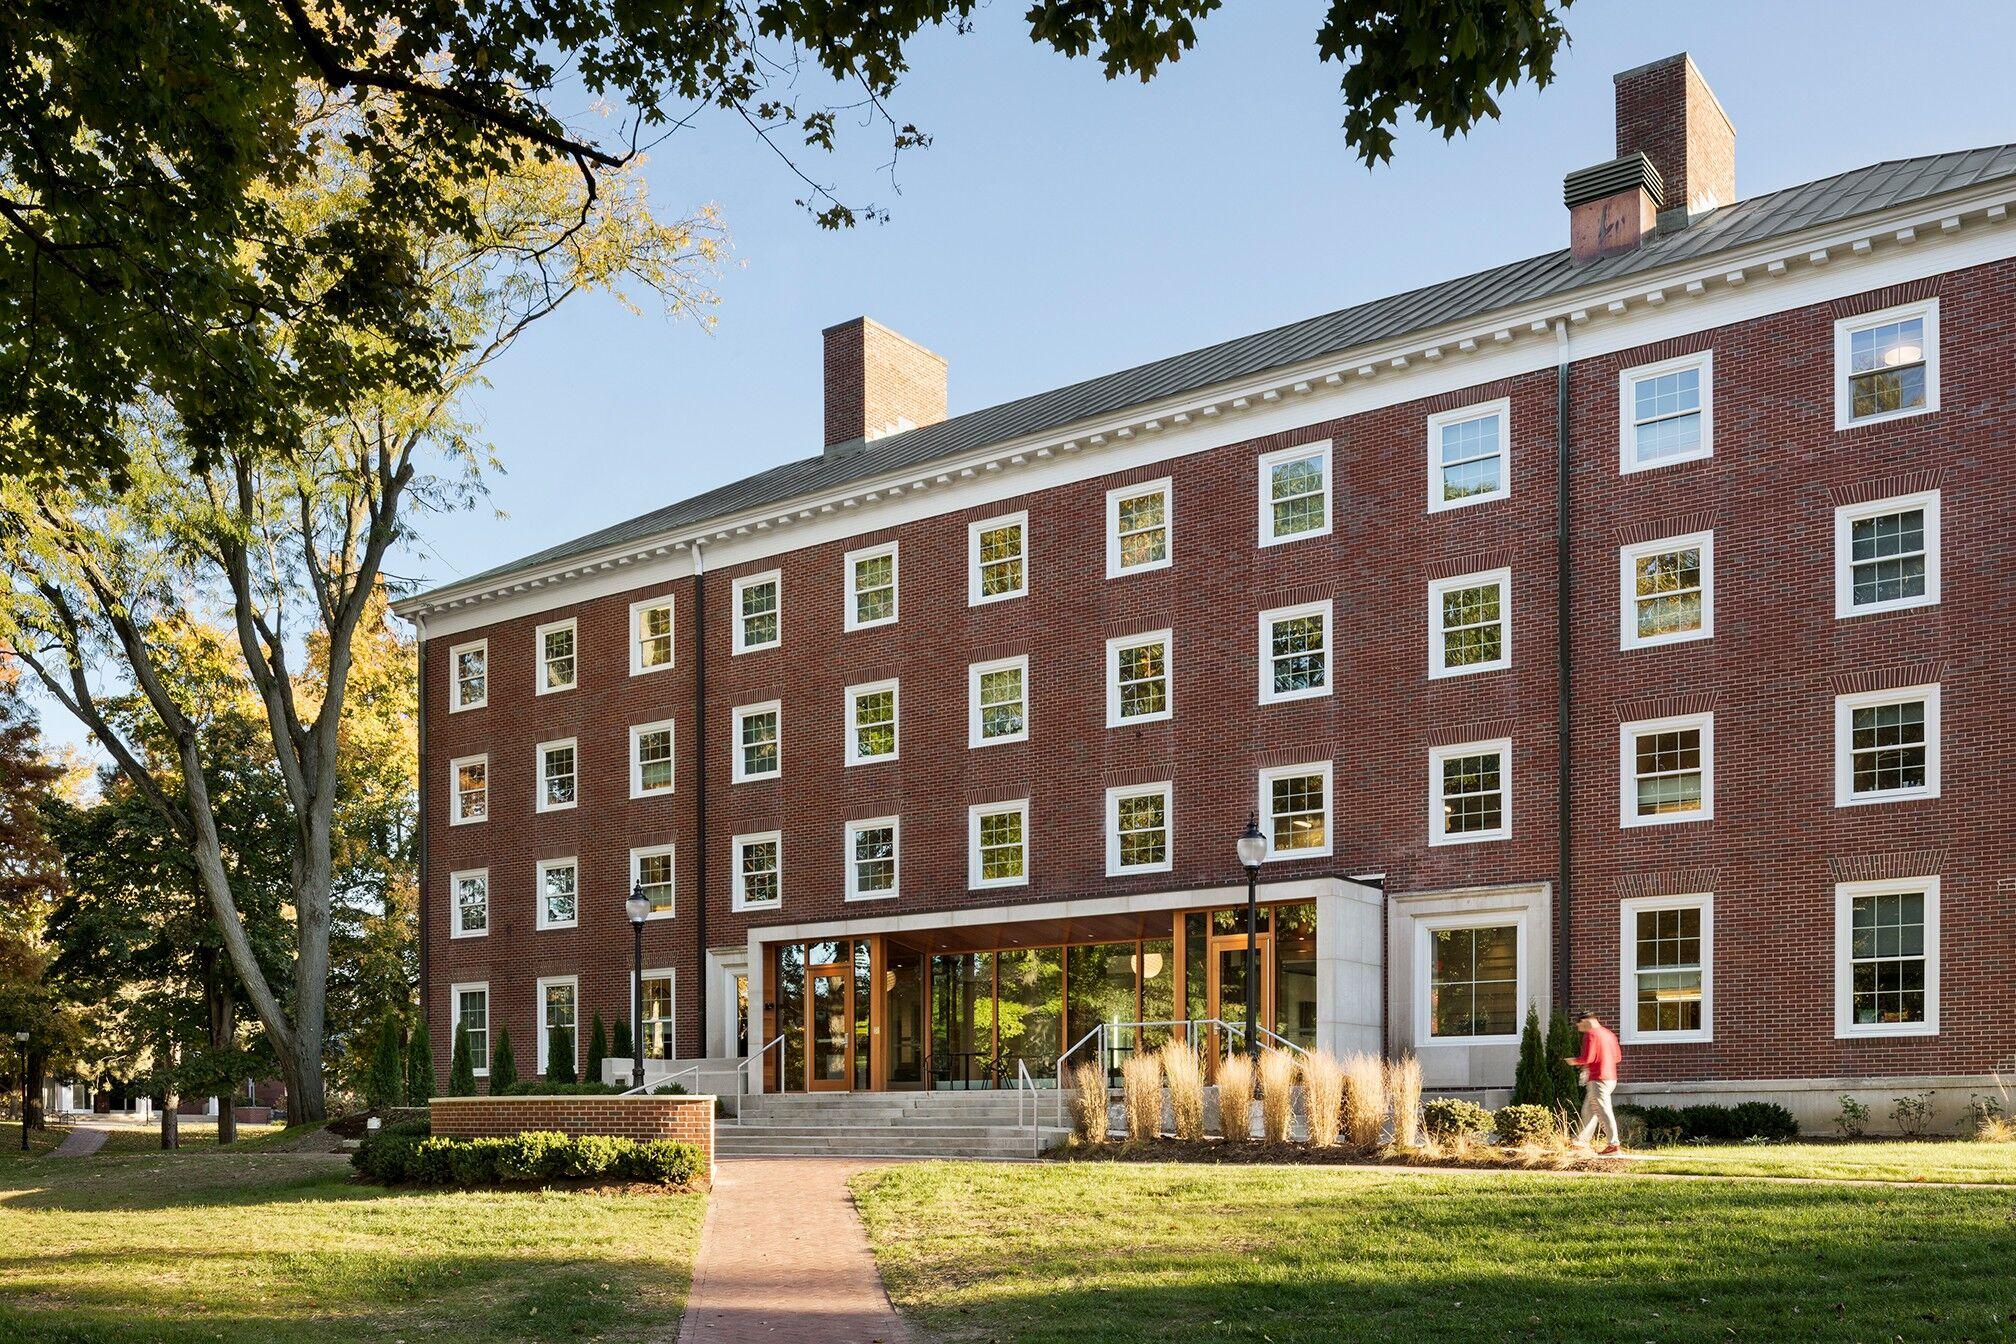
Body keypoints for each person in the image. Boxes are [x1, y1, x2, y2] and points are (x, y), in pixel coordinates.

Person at [1566, 1009, 1622, 1154]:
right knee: (1589, 1110)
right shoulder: (1609, 1034)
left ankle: (1613, 1144)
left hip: (1598, 1078)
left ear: (1584, 1021)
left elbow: (1587, 1058)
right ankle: (1580, 1142)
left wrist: (1573, 1061)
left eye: (1578, 1026)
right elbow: (1617, 1058)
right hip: (1611, 1078)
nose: (1579, 1029)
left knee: (1603, 1111)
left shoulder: (1591, 1034)